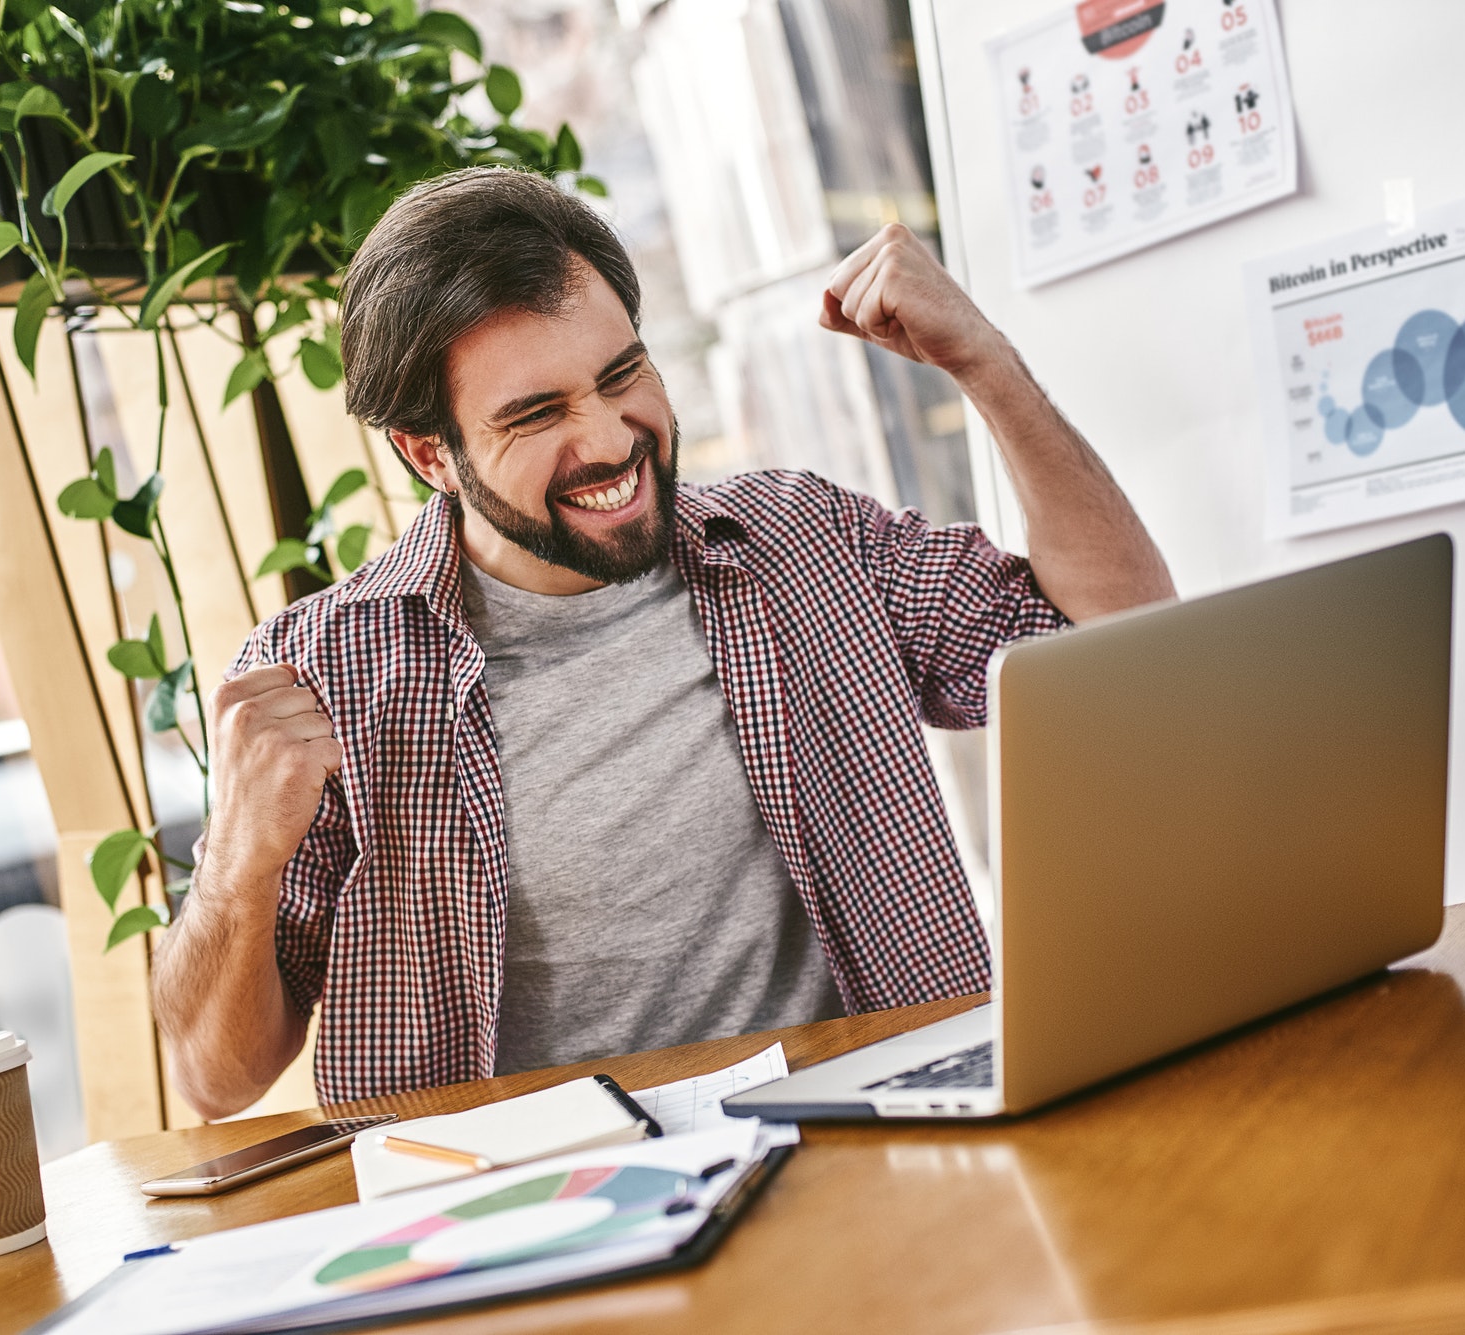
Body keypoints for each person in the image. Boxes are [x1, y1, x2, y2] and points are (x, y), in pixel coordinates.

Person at [153, 167, 1173, 1116]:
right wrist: (240, 858)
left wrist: (984, 365)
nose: (606, 439)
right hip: (558, 1223)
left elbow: (1122, 650)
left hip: (880, 1145)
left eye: (621, 373)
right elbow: (215, 1081)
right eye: (536, 413)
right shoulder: (327, 674)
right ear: (431, 454)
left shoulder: (803, 542)